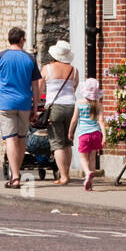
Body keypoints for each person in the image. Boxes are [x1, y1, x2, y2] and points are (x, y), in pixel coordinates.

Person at [0, 26, 42, 188]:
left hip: (5, 103)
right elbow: (36, 85)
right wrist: (35, 106)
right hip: (24, 103)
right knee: (22, 138)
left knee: (10, 139)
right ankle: (16, 172)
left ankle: (15, 176)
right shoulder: (29, 59)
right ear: (21, 40)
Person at [40, 41, 79, 185]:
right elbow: (73, 88)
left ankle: (63, 176)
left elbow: (39, 89)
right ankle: (66, 172)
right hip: (71, 106)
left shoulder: (47, 68)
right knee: (68, 142)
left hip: (55, 107)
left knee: (57, 143)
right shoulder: (74, 70)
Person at [68, 79, 105, 191]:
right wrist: (104, 136)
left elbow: (74, 120)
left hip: (84, 134)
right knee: (92, 158)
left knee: (83, 158)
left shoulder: (79, 103)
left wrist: (70, 132)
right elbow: (101, 121)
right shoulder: (99, 105)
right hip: (96, 134)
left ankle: (87, 173)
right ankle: (90, 182)